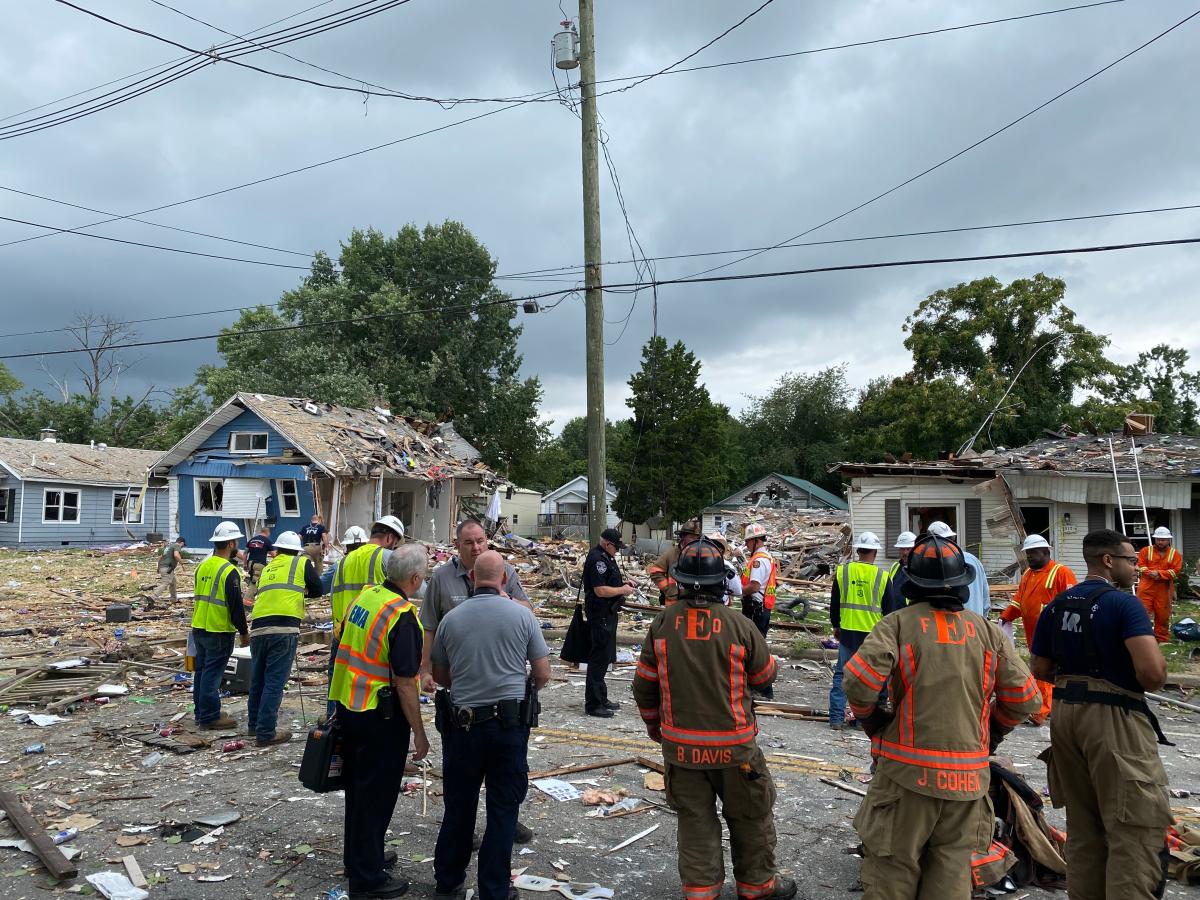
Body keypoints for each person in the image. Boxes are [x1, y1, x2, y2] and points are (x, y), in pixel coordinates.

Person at [846, 533, 1041, 899]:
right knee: (951, 871)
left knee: (893, 869)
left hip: (906, 777)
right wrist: (993, 731)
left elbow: (859, 683)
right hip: (967, 782)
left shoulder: (898, 624)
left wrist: (872, 721)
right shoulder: (987, 632)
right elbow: (1025, 697)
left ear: (911, 582)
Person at [633, 538, 797, 900]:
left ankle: (702, 891)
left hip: (683, 751)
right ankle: (757, 888)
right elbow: (764, 677)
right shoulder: (739, 625)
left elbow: (644, 686)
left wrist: (654, 727)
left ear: (678, 580)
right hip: (736, 750)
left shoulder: (662, 625)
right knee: (750, 817)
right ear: (721, 582)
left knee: (695, 822)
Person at [1030, 528, 1172, 899]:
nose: (1136, 567)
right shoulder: (1124, 605)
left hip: (1066, 716)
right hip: (1114, 719)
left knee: (1084, 826)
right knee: (1134, 827)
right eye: (1130, 560)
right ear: (1109, 561)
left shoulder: (1058, 604)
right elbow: (1153, 675)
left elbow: (1040, 669)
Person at [431, 550, 550, 900]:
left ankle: (449, 880)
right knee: (502, 809)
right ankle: (494, 890)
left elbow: (440, 676)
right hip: (508, 728)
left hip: (463, 725)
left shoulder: (451, 619)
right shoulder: (522, 616)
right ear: (503, 579)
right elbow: (542, 673)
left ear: (471, 578)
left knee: (459, 805)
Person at [329, 543, 430, 900]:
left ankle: (360, 857)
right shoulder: (401, 615)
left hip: (349, 705)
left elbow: (342, 640)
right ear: (415, 579)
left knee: (358, 791)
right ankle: (367, 878)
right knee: (376, 796)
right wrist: (420, 733)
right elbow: (405, 682)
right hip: (379, 717)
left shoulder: (366, 597)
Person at [418, 519, 529, 694]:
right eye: (469, 543)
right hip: (457, 676)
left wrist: (505, 596)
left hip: (501, 675)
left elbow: (527, 611)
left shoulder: (506, 571)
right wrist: (425, 672)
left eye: (480, 541)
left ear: (487, 540)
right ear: (457, 545)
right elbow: (429, 627)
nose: (476, 548)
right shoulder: (442, 577)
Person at [247, 530, 322, 747]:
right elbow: (318, 588)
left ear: (277, 549)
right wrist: (304, 591)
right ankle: (266, 732)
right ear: (297, 550)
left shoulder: (270, 567)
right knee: (274, 682)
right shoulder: (301, 564)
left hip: (258, 628)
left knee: (258, 680)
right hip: (283, 629)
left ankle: (254, 726)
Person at [326, 518, 404, 719]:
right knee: (372, 693)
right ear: (389, 538)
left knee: (338, 690)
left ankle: (334, 737)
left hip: (341, 635)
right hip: (371, 638)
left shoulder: (342, 562)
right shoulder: (386, 557)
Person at [999, 534, 1077, 726]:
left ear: (1046, 551)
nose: (1030, 557)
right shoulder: (1028, 574)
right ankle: (1045, 707)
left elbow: (1072, 603)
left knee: (1044, 669)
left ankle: (1040, 711)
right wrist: (1007, 615)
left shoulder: (1061, 572)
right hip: (1033, 631)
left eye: (1033, 553)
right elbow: (1020, 600)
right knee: (1039, 668)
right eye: (1028, 554)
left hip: (1052, 631)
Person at [828, 532, 902, 730]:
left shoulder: (843, 572)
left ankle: (835, 719)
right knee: (870, 678)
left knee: (842, 676)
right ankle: (863, 720)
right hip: (873, 637)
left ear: (858, 550)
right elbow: (890, 612)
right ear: (876, 552)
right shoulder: (883, 577)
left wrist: (836, 625)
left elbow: (834, 604)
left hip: (848, 633)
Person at [191, 521, 249, 731]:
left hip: (199, 627)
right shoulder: (228, 571)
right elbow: (235, 606)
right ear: (231, 543)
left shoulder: (202, 566)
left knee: (202, 672)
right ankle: (209, 717)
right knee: (212, 675)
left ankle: (201, 713)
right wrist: (243, 632)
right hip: (218, 629)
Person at [582, 527, 636, 718]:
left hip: (609, 613)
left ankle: (601, 698)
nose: (618, 550)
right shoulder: (598, 559)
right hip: (600, 614)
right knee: (598, 659)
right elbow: (600, 590)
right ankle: (593, 704)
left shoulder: (607, 557)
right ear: (607, 544)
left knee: (605, 658)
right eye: (616, 547)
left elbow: (610, 583)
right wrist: (622, 590)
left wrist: (625, 585)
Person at [740, 523, 779, 699]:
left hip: (755, 608)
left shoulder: (758, 560)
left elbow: (754, 586)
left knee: (754, 650)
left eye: (748, 541)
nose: (746, 545)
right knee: (756, 648)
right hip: (762, 607)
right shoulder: (766, 557)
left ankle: (764, 688)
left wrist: (736, 590)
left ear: (756, 541)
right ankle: (760, 687)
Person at [927, 521, 990, 617]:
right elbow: (986, 603)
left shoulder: (937, 565)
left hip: (954, 626)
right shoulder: (974, 560)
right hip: (976, 625)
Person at [1137, 525, 1182, 643]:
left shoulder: (1175, 554)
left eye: (1162, 539)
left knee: (1162, 614)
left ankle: (1161, 639)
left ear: (1168, 540)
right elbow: (1140, 566)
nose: (1160, 542)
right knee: (1142, 612)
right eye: (1158, 539)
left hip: (1164, 588)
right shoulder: (1145, 551)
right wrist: (1150, 573)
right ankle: (1142, 637)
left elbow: (1175, 571)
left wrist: (1160, 574)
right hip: (1146, 586)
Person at [647, 519, 703, 605]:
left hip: (696, 602)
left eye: (697, 538)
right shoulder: (671, 554)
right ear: (683, 537)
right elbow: (655, 572)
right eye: (692, 537)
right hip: (674, 603)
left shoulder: (702, 554)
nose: (695, 540)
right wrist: (669, 589)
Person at [707, 532, 743, 606]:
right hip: (719, 606)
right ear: (721, 550)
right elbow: (737, 591)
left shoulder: (694, 562)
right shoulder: (727, 565)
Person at [151, 536, 186, 608]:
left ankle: (174, 599)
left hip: (164, 567)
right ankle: (153, 597)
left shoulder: (168, 547)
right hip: (167, 568)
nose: (182, 547)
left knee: (173, 582)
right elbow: (176, 555)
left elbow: (161, 557)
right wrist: (182, 563)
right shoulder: (177, 545)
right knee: (165, 582)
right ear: (181, 543)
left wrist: (158, 568)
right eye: (183, 545)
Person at [241, 525, 274, 601]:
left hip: (250, 563)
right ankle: (247, 601)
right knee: (255, 583)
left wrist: (245, 564)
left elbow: (245, 553)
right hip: (259, 564)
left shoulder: (252, 540)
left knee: (254, 580)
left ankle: (257, 598)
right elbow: (273, 555)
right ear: (268, 533)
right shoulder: (267, 541)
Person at [889, 531, 917, 600]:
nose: (905, 553)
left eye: (908, 549)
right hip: (895, 610)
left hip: (912, 610)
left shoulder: (920, 569)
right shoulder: (895, 566)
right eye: (902, 549)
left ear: (915, 549)